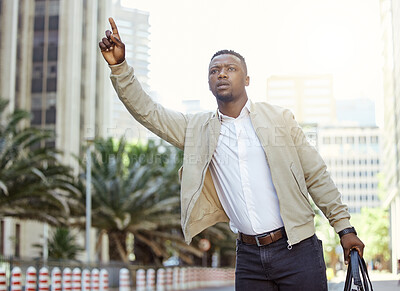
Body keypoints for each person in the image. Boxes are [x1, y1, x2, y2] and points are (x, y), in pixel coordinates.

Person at [99, 17, 365, 290]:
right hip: (249, 256)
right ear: (209, 82)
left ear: (247, 78)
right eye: (215, 70)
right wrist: (119, 67)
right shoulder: (197, 129)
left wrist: (344, 228)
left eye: (230, 68)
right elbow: (148, 112)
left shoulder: (280, 120)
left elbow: (315, 174)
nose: (222, 74)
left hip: (297, 249)